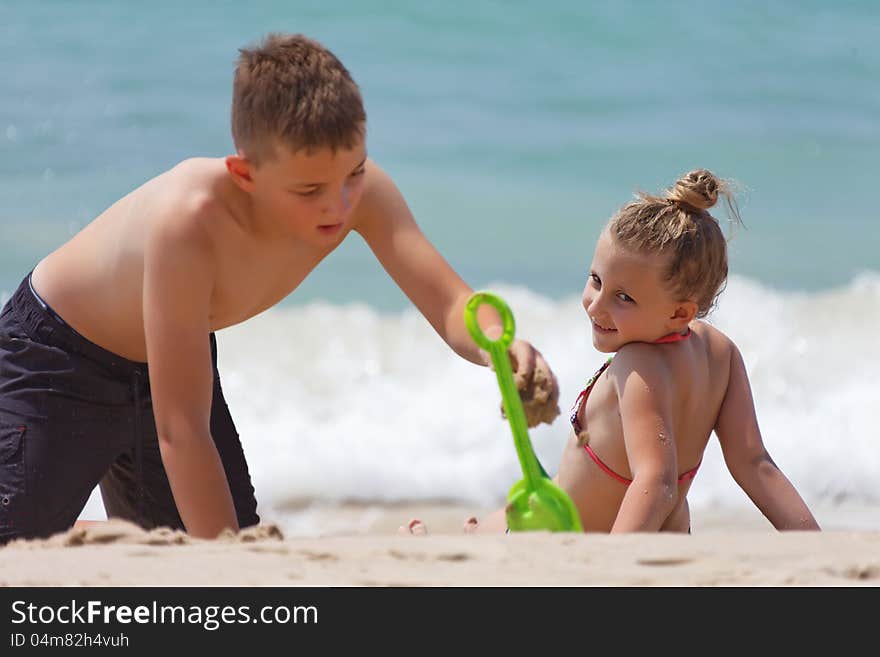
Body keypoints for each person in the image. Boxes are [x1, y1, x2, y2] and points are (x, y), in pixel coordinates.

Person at [0, 33, 557, 543]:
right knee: (19, 553)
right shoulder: (190, 220)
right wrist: (232, 574)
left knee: (200, 549)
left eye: (355, 173)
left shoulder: (360, 194)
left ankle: (105, 539)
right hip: (55, 361)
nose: (338, 205)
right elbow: (182, 430)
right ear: (245, 173)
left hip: (171, 363)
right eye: (310, 188)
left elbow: (449, 299)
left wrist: (497, 345)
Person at [402, 169, 820, 535]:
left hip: (581, 540)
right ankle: (485, 530)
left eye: (623, 297)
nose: (595, 305)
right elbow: (755, 466)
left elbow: (656, 483)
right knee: (503, 518)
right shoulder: (721, 353)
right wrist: (814, 546)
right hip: (666, 540)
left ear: (679, 312)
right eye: (596, 280)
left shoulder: (640, 366)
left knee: (477, 544)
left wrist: (613, 568)